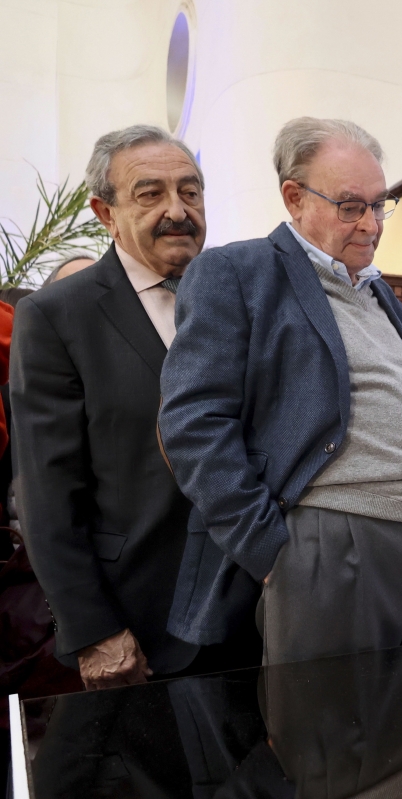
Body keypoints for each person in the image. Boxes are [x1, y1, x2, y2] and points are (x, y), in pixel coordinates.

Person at [158, 117, 402, 665]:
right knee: (336, 740)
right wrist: (272, 550)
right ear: (294, 198)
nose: (371, 224)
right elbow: (192, 424)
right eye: (351, 206)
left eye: (380, 204)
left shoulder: (379, 292)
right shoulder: (237, 271)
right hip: (329, 544)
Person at [10, 125, 258, 692]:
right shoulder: (56, 316)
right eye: (150, 194)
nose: (178, 210)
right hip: (142, 628)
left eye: (190, 192)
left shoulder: (243, 298)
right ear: (105, 212)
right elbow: (47, 491)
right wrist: (94, 629)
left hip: (259, 617)